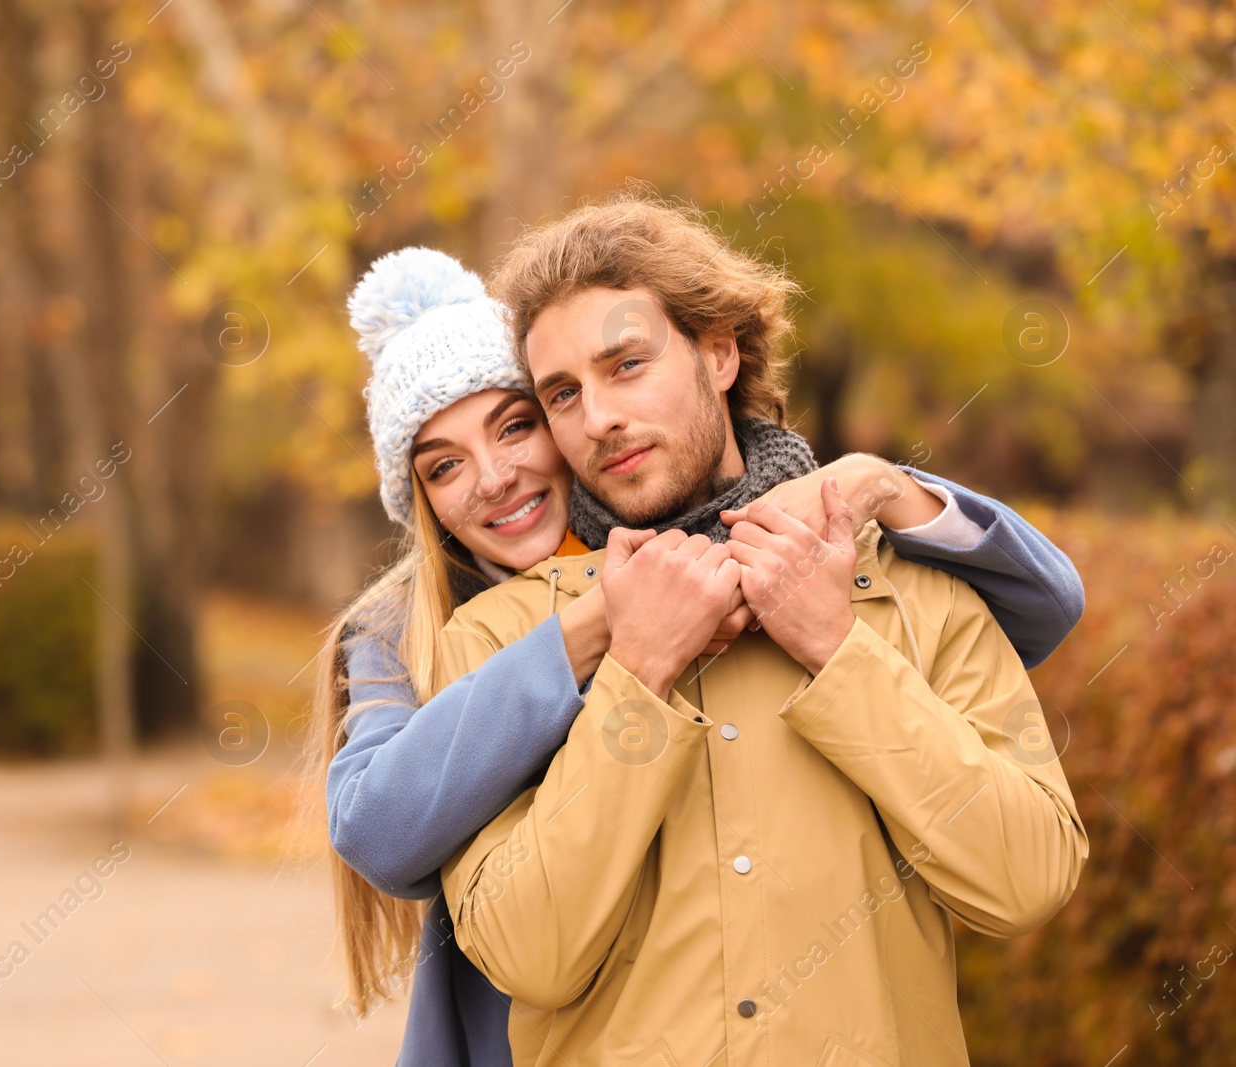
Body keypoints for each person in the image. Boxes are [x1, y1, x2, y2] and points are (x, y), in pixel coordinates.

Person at [312, 242, 1084, 1066]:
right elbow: (502, 933)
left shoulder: (904, 579)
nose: (598, 417)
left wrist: (838, 640)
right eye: (564, 393)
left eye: (628, 365)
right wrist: (635, 668)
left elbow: (1030, 876)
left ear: (719, 353)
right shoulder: (476, 641)